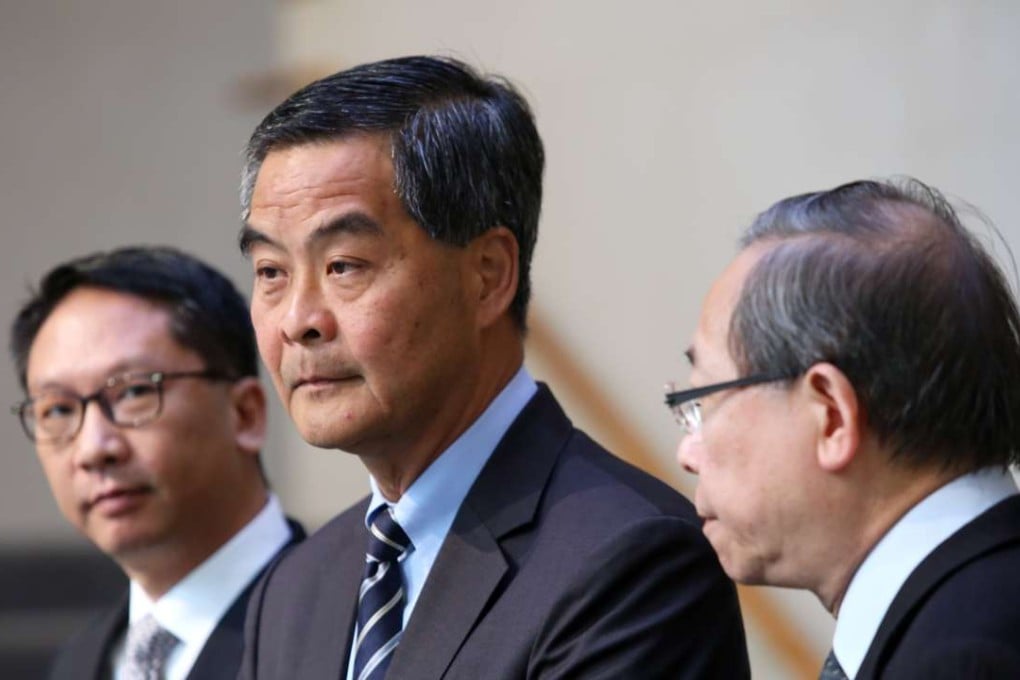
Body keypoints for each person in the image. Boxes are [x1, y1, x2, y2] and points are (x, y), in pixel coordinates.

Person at [237, 55, 748, 679]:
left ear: (488, 276)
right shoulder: (295, 588)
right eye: (271, 273)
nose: (297, 320)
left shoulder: (631, 560)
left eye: (344, 265)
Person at [673, 178, 1020, 679]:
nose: (688, 451)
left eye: (703, 399)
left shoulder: (962, 661)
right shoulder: (971, 607)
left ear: (831, 415)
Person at [10, 246, 304, 680]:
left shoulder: (343, 624)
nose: (94, 449)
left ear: (245, 413)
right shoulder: (81, 660)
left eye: (133, 393)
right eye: (58, 410)